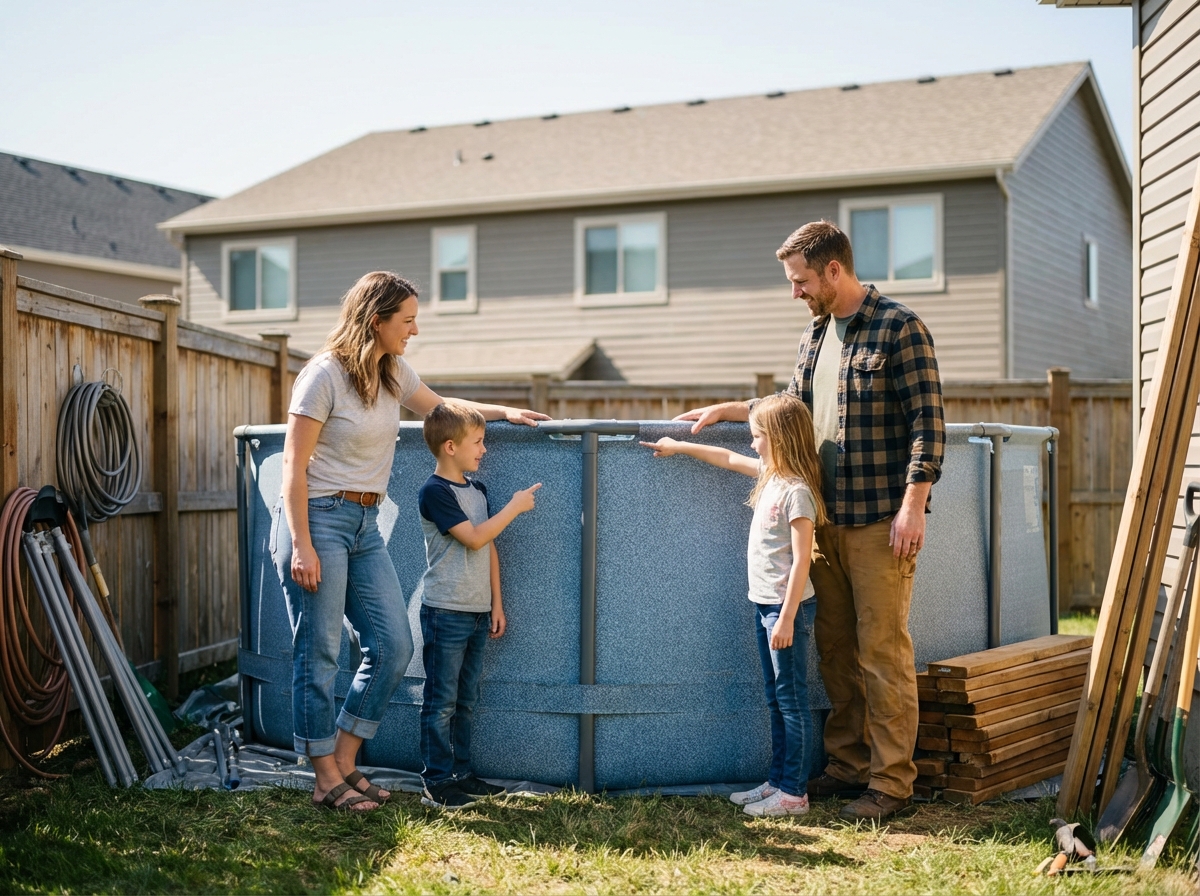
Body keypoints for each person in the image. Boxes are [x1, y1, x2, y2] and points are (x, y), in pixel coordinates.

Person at [676, 221, 944, 821]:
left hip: (881, 520)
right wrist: (732, 408)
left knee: (883, 653)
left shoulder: (900, 328)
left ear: (833, 270)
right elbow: (790, 409)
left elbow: (929, 423)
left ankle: (892, 784)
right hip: (823, 521)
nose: (794, 292)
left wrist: (914, 504)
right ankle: (847, 766)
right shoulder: (815, 335)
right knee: (835, 651)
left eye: (800, 281)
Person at [273, 270, 548, 813]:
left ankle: (346, 761)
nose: (414, 330)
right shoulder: (322, 376)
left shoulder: (393, 372)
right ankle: (324, 777)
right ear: (376, 321)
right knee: (321, 652)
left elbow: (442, 410)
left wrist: (504, 412)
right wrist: (301, 543)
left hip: (364, 525)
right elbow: (293, 466)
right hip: (318, 520)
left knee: (394, 646)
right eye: (407, 320)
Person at [641, 392, 825, 817]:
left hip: (785, 611)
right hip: (766, 607)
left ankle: (794, 794)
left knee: (791, 701)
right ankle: (778, 782)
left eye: (758, 435)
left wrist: (788, 619)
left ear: (779, 438)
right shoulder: (771, 475)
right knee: (775, 698)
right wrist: (678, 446)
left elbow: (802, 561)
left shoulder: (797, 492)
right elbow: (725, 458)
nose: (752, 443)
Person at [415, 403, 541, 809]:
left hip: (476, 611)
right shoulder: (434, 492)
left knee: (466, 700)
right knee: (440, 701)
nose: (484, 450)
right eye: (478, 442)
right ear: (450, 447)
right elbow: (471, 537)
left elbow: (488, 549)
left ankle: (461, 774)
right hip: (445, 612)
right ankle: (435, 781)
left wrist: (496, 603)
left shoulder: (478, 491)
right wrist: (515, 508)